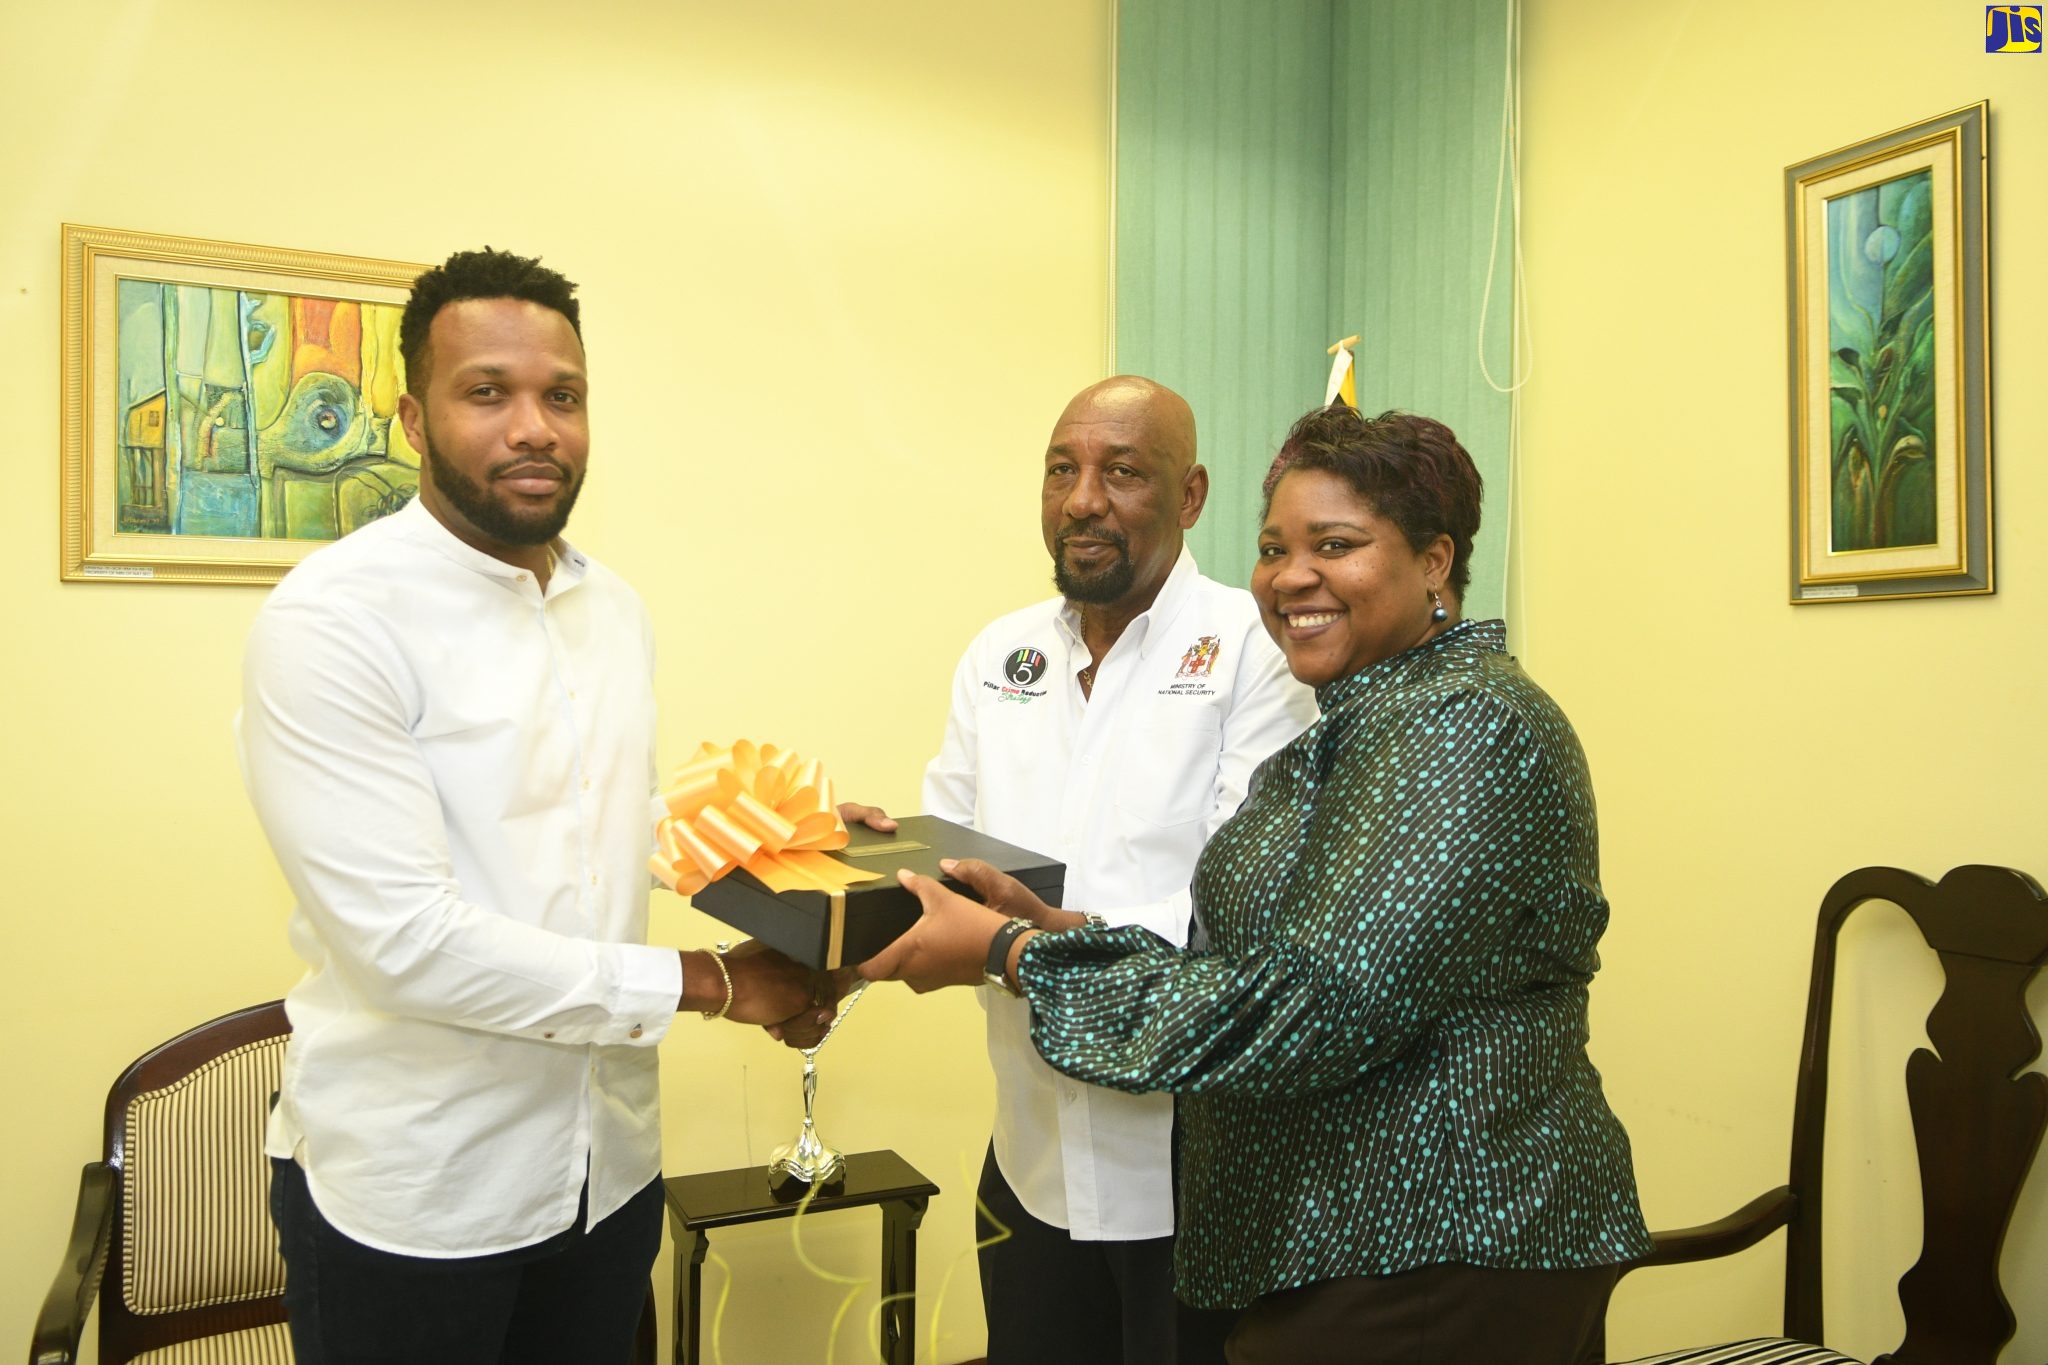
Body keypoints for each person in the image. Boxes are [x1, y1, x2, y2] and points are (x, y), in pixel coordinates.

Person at [864, 405, 1653, 1365]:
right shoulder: (1360, 721)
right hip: (1326, 1240)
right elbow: (1236, 943)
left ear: (1436, 560)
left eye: (1337, 544)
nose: (1292, 577)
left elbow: (1310, 1002)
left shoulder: (1462, 725)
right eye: (1275, 547)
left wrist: (1015, 953)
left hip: (1442, 1241)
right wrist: (1035, 921)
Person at [238, 247, 836, 1365]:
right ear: (414, 418)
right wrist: (712, 983)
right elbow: (405, 946)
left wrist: (789, 844)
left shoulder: (610, 608)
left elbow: (604, 817)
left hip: (603, 1170)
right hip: (420, 1196)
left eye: (561, 395)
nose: (535, 428)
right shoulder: (332, 624)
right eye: (488, 393)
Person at [920, 376, 1318, 1365]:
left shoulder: (1250, 653)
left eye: (1121, 471)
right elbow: (950, 854)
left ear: (1188, 497)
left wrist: (1019, 936)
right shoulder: (997, 655)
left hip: (1195, 1169)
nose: (1083, 498)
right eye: (1062, 469)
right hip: (1031, 1151)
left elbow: (1234, 924)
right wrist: (859, 866)